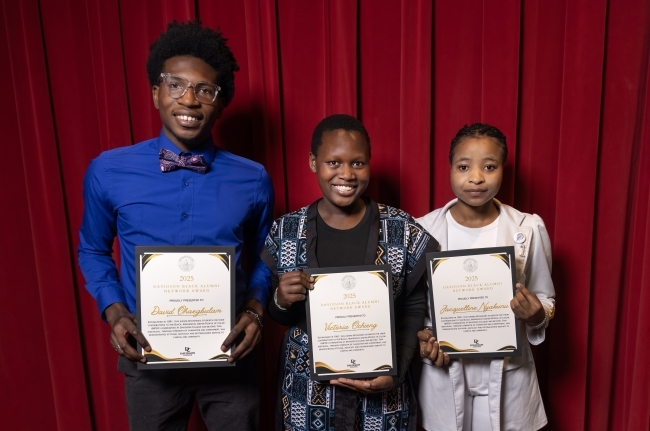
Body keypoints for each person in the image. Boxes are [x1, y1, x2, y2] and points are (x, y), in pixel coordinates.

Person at [78, 20, 274, 431]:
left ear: (220, 103)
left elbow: (265, 256)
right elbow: (92, 250)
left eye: (205, 90)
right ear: (155, 92)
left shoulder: (253, 178)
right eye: (175, 85)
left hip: (230, 357)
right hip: (148, 358)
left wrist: (256, 312)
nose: (189, 99)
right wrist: (114, 311)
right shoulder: (108, 170)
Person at [260, 114, 439, 430]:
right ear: (314, 162)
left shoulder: (401, 229)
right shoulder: (286, 230)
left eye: (358, 163)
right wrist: (281, 300)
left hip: (381, 398)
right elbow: (280, 316)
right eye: (334, 162)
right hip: (307, 393)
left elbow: (413, 307)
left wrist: (396, 370)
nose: (346, 174)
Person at [416, 123, 555, 431]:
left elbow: (546, 300)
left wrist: (536, 314)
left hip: (509, 373)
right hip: (445, 371)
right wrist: (421, 339)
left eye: (489, 167)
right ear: (450, 168)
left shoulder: (527, 229)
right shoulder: (421, 230)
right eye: (464, 166)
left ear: (502, 170)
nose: (476, 177)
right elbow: (413, 310)